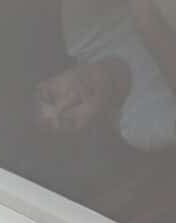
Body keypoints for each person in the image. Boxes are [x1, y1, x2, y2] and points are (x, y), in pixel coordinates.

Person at [35, 0, 176, 151]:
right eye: (69, 121)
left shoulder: (79, 27)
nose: (72, 99)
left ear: (52, 76)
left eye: (52, 95)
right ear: (87, 130)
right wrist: (149, 25)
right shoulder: (138, 126)